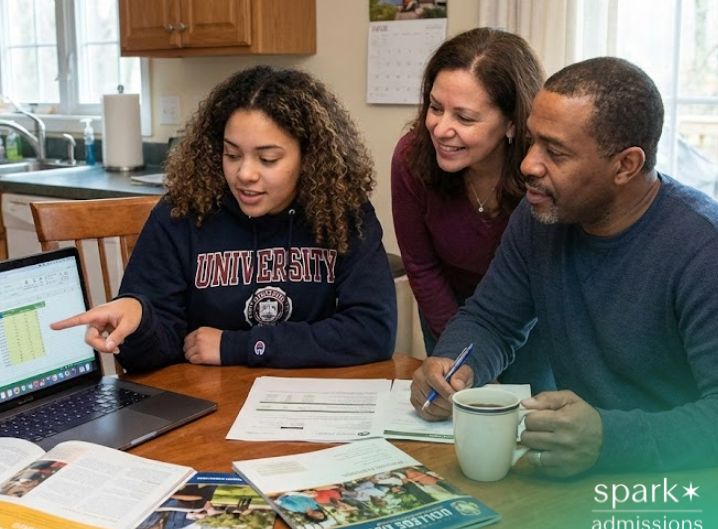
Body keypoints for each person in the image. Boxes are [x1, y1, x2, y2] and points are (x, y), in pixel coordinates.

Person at [410, 56, 718, 477]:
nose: (528, 165)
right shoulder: (542, 216)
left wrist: (608, 438)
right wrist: (453, 363)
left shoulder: (703, 250)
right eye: (532, 141)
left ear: (625, 165)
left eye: (555, 152)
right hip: (577, 474)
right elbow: (493, 319)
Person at [52, 65, 397, 371]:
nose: (244, 174)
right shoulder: (183, 213)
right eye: (232, 154)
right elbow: (150, 357)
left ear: (309, 157)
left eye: (268, 159)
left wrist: (238, 346)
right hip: (206, 412)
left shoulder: (341, 212)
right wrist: (139, 319)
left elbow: (372, 331)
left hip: (310, 406)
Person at [390, 28, 552, 390]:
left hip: (531, 318)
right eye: (435, 108)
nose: (441, 129)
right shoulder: (411, 157)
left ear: (512, 122)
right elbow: (421, 265)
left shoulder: (542, 174)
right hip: (448, 311)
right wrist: (463, 357)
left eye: (464, 118)